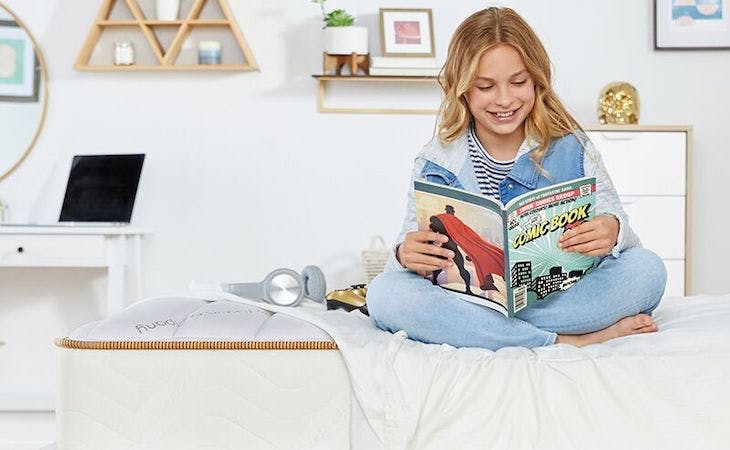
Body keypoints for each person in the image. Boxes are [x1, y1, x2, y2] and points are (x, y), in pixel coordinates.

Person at [366, 7, 667, 351]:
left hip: (557, 297)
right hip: (477, 298)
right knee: (386, 295)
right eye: (485, 86)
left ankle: (486, 330)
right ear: (462, 89)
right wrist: (406, 253)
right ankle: (564, 340)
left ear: (537, 81)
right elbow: (400, 265)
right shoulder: (436, 161)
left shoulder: (573, 146)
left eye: (519, 82)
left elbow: (629, 242)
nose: (505, 99)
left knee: (648, 270)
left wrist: (612, 230)